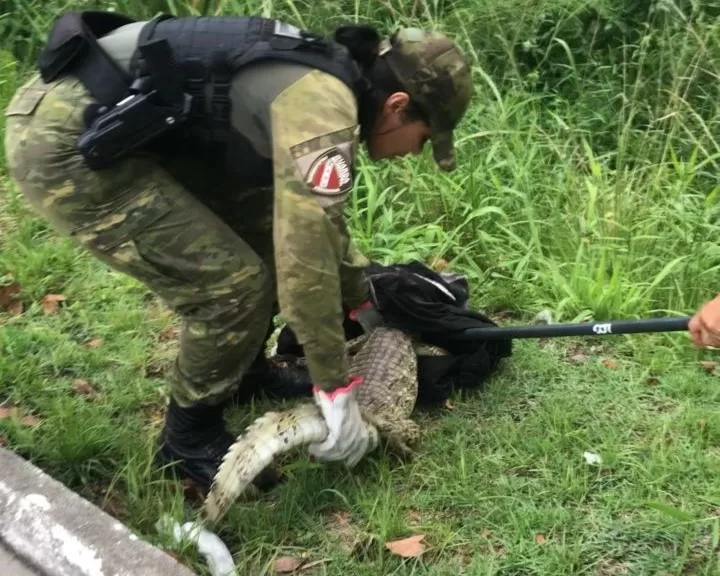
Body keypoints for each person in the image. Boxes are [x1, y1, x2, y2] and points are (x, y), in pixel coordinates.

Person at [3, 11, 474, 491]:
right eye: (423, 139)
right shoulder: (323, 110)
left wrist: (363, 300)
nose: (414, 153)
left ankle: (245, 373)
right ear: (397, 105)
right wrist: (337, 389)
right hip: (66, 145)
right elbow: (305, 262)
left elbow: (319, 227)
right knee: (232, 287)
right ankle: (187, 438)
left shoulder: (330, 82)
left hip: (128, 131)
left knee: (266, 236)